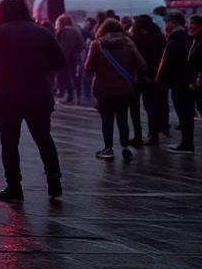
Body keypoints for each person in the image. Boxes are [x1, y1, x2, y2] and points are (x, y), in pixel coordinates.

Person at [0, 0, 63, 202]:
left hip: (9, 94)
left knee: (9, 141)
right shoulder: (43, 32)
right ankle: (54, 179)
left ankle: (14, 186)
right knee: (44, 137)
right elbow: (60, 61)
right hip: (38, 92)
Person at [84, 18, 149, 161]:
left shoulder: (97, 45)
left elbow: (88, 68)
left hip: (103, 89)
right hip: (124, 89)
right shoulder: (128, 43)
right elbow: (142, 65)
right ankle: (125, 148)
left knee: (106, 119)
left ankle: (108, 149)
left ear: (103, 30)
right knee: (122, 118)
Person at [157, 12, 195, 153]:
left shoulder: (176, 39)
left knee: (184, 113)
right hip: (184, 81)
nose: (165, 25)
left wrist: (161, 81)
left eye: (167, 22)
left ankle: (186, 144)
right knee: (186, 113)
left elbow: (168, 63)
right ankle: (186, 143)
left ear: (174, 23)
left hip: (180, 82)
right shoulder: (185, 38)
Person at [129, 14, 168, 145]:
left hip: (138, 77)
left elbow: (133, 59)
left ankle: (138, 135)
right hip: (154, 76)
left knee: (135, 107)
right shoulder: (160, 37)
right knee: (152, 107)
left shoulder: (136, 39)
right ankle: (154, 134)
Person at [54, 15, 84, 105]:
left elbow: (64, 48)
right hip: (75, 57)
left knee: (67, 78)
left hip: (67, 59)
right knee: (75, 78)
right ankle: (77, 97)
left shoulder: (64, 32)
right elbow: (81, 45)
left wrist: (61, 61)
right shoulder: (75, 30)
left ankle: (70, 97)